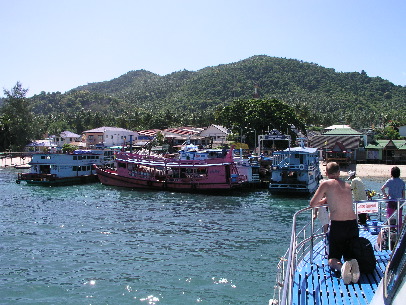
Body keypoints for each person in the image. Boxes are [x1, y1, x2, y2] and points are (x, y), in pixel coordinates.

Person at [310, 162, 360, 284]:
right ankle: (352, 265)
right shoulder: (347, 185)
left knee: (332, 259)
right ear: (338, 173)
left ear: (326, 173)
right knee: (349, 254)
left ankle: (341, 267)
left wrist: (322, 201)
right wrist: (327, 199)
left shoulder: (325, 184)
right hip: (353, 224)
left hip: (338, 225)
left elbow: (313, 203)